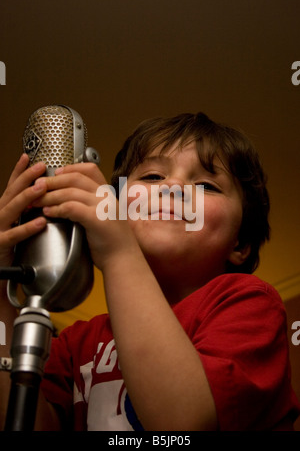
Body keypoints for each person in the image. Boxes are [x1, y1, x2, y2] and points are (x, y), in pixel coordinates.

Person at [0, 112, 299, 431]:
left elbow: (183, 425)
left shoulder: (251, 306)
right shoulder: (76, 343)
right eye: (153, 178)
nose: (172, 186)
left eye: (206, 185)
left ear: (240, 244)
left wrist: (118, 253)